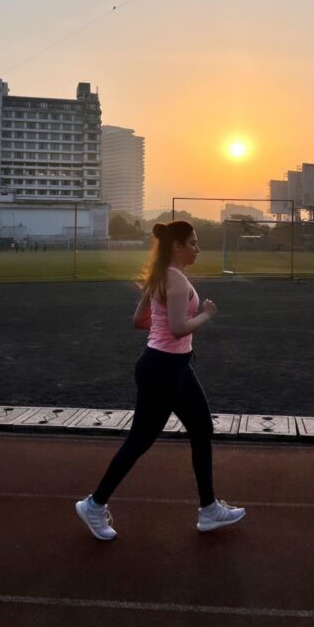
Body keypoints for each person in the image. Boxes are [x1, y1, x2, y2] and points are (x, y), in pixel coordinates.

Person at [75, 220, 246, 541]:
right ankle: (94, 504)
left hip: (172, 366)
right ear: (177, 246)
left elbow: (138, 320)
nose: (198, 248)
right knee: (140, 440)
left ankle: (209, 510)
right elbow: (180, 328)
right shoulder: (176, 281)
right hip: (163, 369)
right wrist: (207, 313)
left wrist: (164, 322)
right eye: (193, 243)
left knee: (201, 428)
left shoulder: (161, 277)